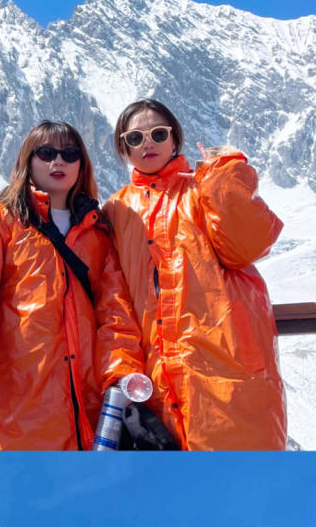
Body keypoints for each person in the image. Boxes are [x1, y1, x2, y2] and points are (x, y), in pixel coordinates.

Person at [0, 120, 145, 450]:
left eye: (70, 153)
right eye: (46, 153)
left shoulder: (97, 235)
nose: (58, 161)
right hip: (10, 407)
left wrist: (121, 375)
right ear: (28, 160)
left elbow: (114, 313)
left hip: (84, 406)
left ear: (82, 164)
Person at [104, 99, 287, 450]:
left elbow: (246, 246)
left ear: (175, 139)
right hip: (155, 382)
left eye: (158, 134)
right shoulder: (116, 210)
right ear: (123, 148)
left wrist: (226, 177)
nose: (148, 143)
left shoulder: (205, 189)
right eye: (135, 138)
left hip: (227, 371)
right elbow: (114, 301)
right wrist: (123, 372)